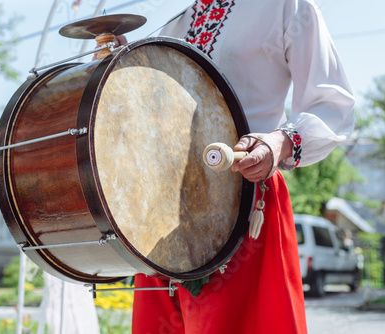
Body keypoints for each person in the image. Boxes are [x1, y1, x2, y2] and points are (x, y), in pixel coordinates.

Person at [130, 0, 355, 333]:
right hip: (163, 214)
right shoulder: (169, 12)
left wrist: (278, 143)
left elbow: (333, 105)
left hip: (245, 206)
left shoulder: (287, 5)